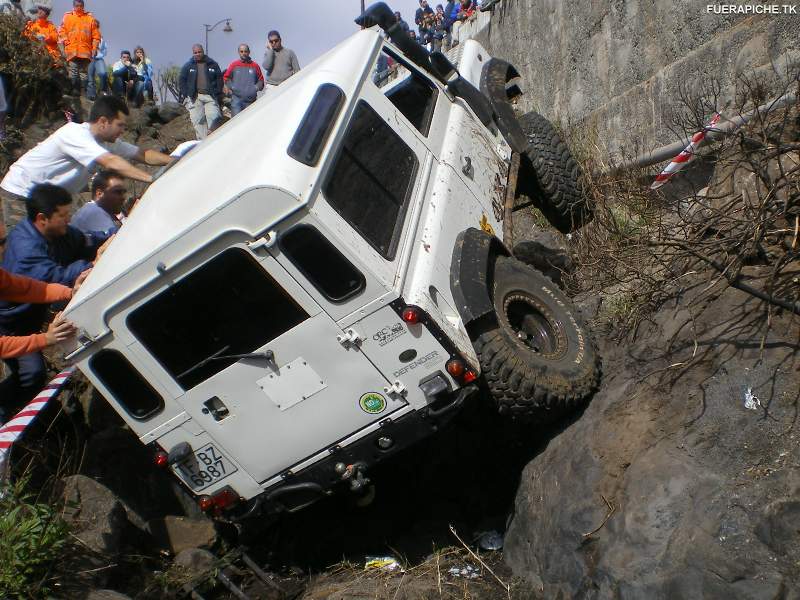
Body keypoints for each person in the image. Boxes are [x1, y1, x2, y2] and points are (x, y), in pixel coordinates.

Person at [0, 95, 172, 229]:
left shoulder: (107, 142)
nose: (123, 131)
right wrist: (151, 179)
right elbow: (109, 161)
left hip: (47, 201)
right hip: (20, 194)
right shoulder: (75, 134)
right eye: (120, 125)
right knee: (25, 250)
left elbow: (142, 154)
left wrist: (175, 161)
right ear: (103, 122)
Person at [0, 184, 93, 408]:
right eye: (1, 243)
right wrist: (46, 339)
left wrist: (70, 292)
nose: (5, 248)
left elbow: (26, 287)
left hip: (16, 323)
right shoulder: (26, 251)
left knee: (32, 374)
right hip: (10, 326)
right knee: (31, 372)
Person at [179, 44, 223, 140]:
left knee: (214, 116)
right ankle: (202, 143)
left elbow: (219, 79)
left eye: (199, 52)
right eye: (195, 52)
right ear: (193, 53)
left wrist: (218, 92)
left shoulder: (213, 64)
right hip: (195, 97)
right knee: (198, 121)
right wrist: (186, 93)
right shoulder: (188, 66)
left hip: (210, 96)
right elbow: (182, 80)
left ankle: (215, 140)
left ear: (203, 52)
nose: (198, 54)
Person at [58, 0, 100, 98]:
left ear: (83, 6)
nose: (79, 7)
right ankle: (74, 91)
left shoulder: (90, 18)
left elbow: (96, 35)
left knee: (83, 73)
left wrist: (94, 48)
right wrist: (66, 40)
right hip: (72, 49)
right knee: (73, 70)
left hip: (85, 51)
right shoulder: (67, 16)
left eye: (81, 5)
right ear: (73, 6)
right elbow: (61, 30)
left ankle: (82, 93)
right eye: (77, 5)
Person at [70, 170, 125, 243]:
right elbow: (122, 240)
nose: (123, 197)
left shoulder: (99, 210)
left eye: (123, 192)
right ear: (99, 194)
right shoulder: (92, 212)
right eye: (117, 192)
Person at [223, 44, 264, 117]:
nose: (243, 53)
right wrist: (232, 87)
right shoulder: (234, 65)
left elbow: (261, 80)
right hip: (236, 101)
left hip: (251, 101)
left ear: (249, 52)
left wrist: (255, 88)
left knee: (249, 123)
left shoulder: (255, 66)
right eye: (241, 51)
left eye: (245, 51)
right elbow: (226, 77)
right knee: (235, 123)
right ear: (238, 52)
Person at [86, 21, 107, 100]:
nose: (95, 27)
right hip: (89, 58)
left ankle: (102, 91)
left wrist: (99, 53)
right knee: (90, 77)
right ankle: (91, 95)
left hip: (98, 58)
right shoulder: (87, 35)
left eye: (96, 26)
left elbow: (105, 49)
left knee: (103, 73)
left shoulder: (101, 38)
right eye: (94, 25)